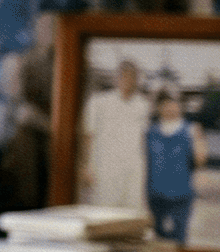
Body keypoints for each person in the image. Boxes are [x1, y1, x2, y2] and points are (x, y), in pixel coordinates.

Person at [82, 59, 153, 211]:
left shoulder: (143, 105)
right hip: (104, 167)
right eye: (124, 76)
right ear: (117, 78)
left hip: (133, 168)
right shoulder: (98, 102)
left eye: (132, 77)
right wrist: (86, 166)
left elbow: (143, 139)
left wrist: (145, 171)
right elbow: (88, 135)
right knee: (102, 212)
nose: (128, 81)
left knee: (130, 212)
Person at [144, 91, 207, 242]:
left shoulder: (191, 129)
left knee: (179, 239)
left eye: (174, 104)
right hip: (155, 195)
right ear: (158, 108)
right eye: (165, 104)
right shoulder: (150, 131)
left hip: (181, 195)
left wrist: (199, 140)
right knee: (158, 238)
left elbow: (200, 160)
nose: (170, 108)